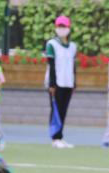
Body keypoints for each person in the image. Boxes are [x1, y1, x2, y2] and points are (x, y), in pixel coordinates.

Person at [45, 15, 77, 149]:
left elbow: (73, 66)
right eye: (59, 26)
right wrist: (52, 84)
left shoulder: (73, 46)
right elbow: (51, 65)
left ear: (69, 28)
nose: (61, 29)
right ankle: (54, 138)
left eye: (64, 26)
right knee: (56, 110)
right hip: (56, 84)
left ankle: (60, 136)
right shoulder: (51, 44)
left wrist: (75, 83)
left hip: (68, 83)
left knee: (63, 110)